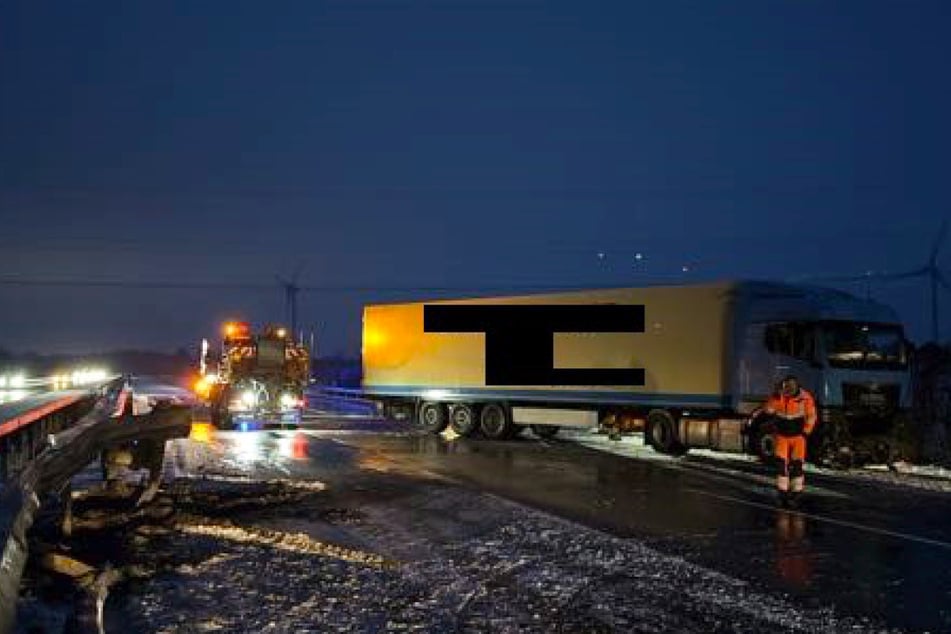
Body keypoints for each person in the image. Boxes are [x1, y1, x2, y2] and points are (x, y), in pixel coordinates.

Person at [763, 375, 817, 507]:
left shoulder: (805, 398)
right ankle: (783, 493)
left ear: (797, 386)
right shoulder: (779, 396)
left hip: (798, 437)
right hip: (782, 437)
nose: (789, 389)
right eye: (786, 386)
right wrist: (774, 397)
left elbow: (811, 416)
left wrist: (806, 432)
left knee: (797, 466)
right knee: (781, 465)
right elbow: (768, 410)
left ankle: (796, 494)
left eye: (791, 387)